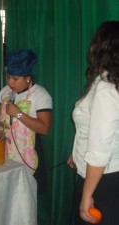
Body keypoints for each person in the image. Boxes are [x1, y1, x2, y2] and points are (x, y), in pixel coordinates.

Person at [0, 49, 52, 191]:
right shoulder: (4, 92)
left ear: (27, 78)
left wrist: (18, 114)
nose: (10, 82)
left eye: (15, 79)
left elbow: (44, 128)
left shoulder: (40, 94)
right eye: (8, 77)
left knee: (24, 195)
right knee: (4, 191)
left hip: (26, 152)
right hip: (2, 149)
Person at [67, 21, 119, 225]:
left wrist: (87, 195)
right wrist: (78, 154)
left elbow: (100, 149)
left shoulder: (107, 88)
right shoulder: (109, 81)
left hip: (101, 181)